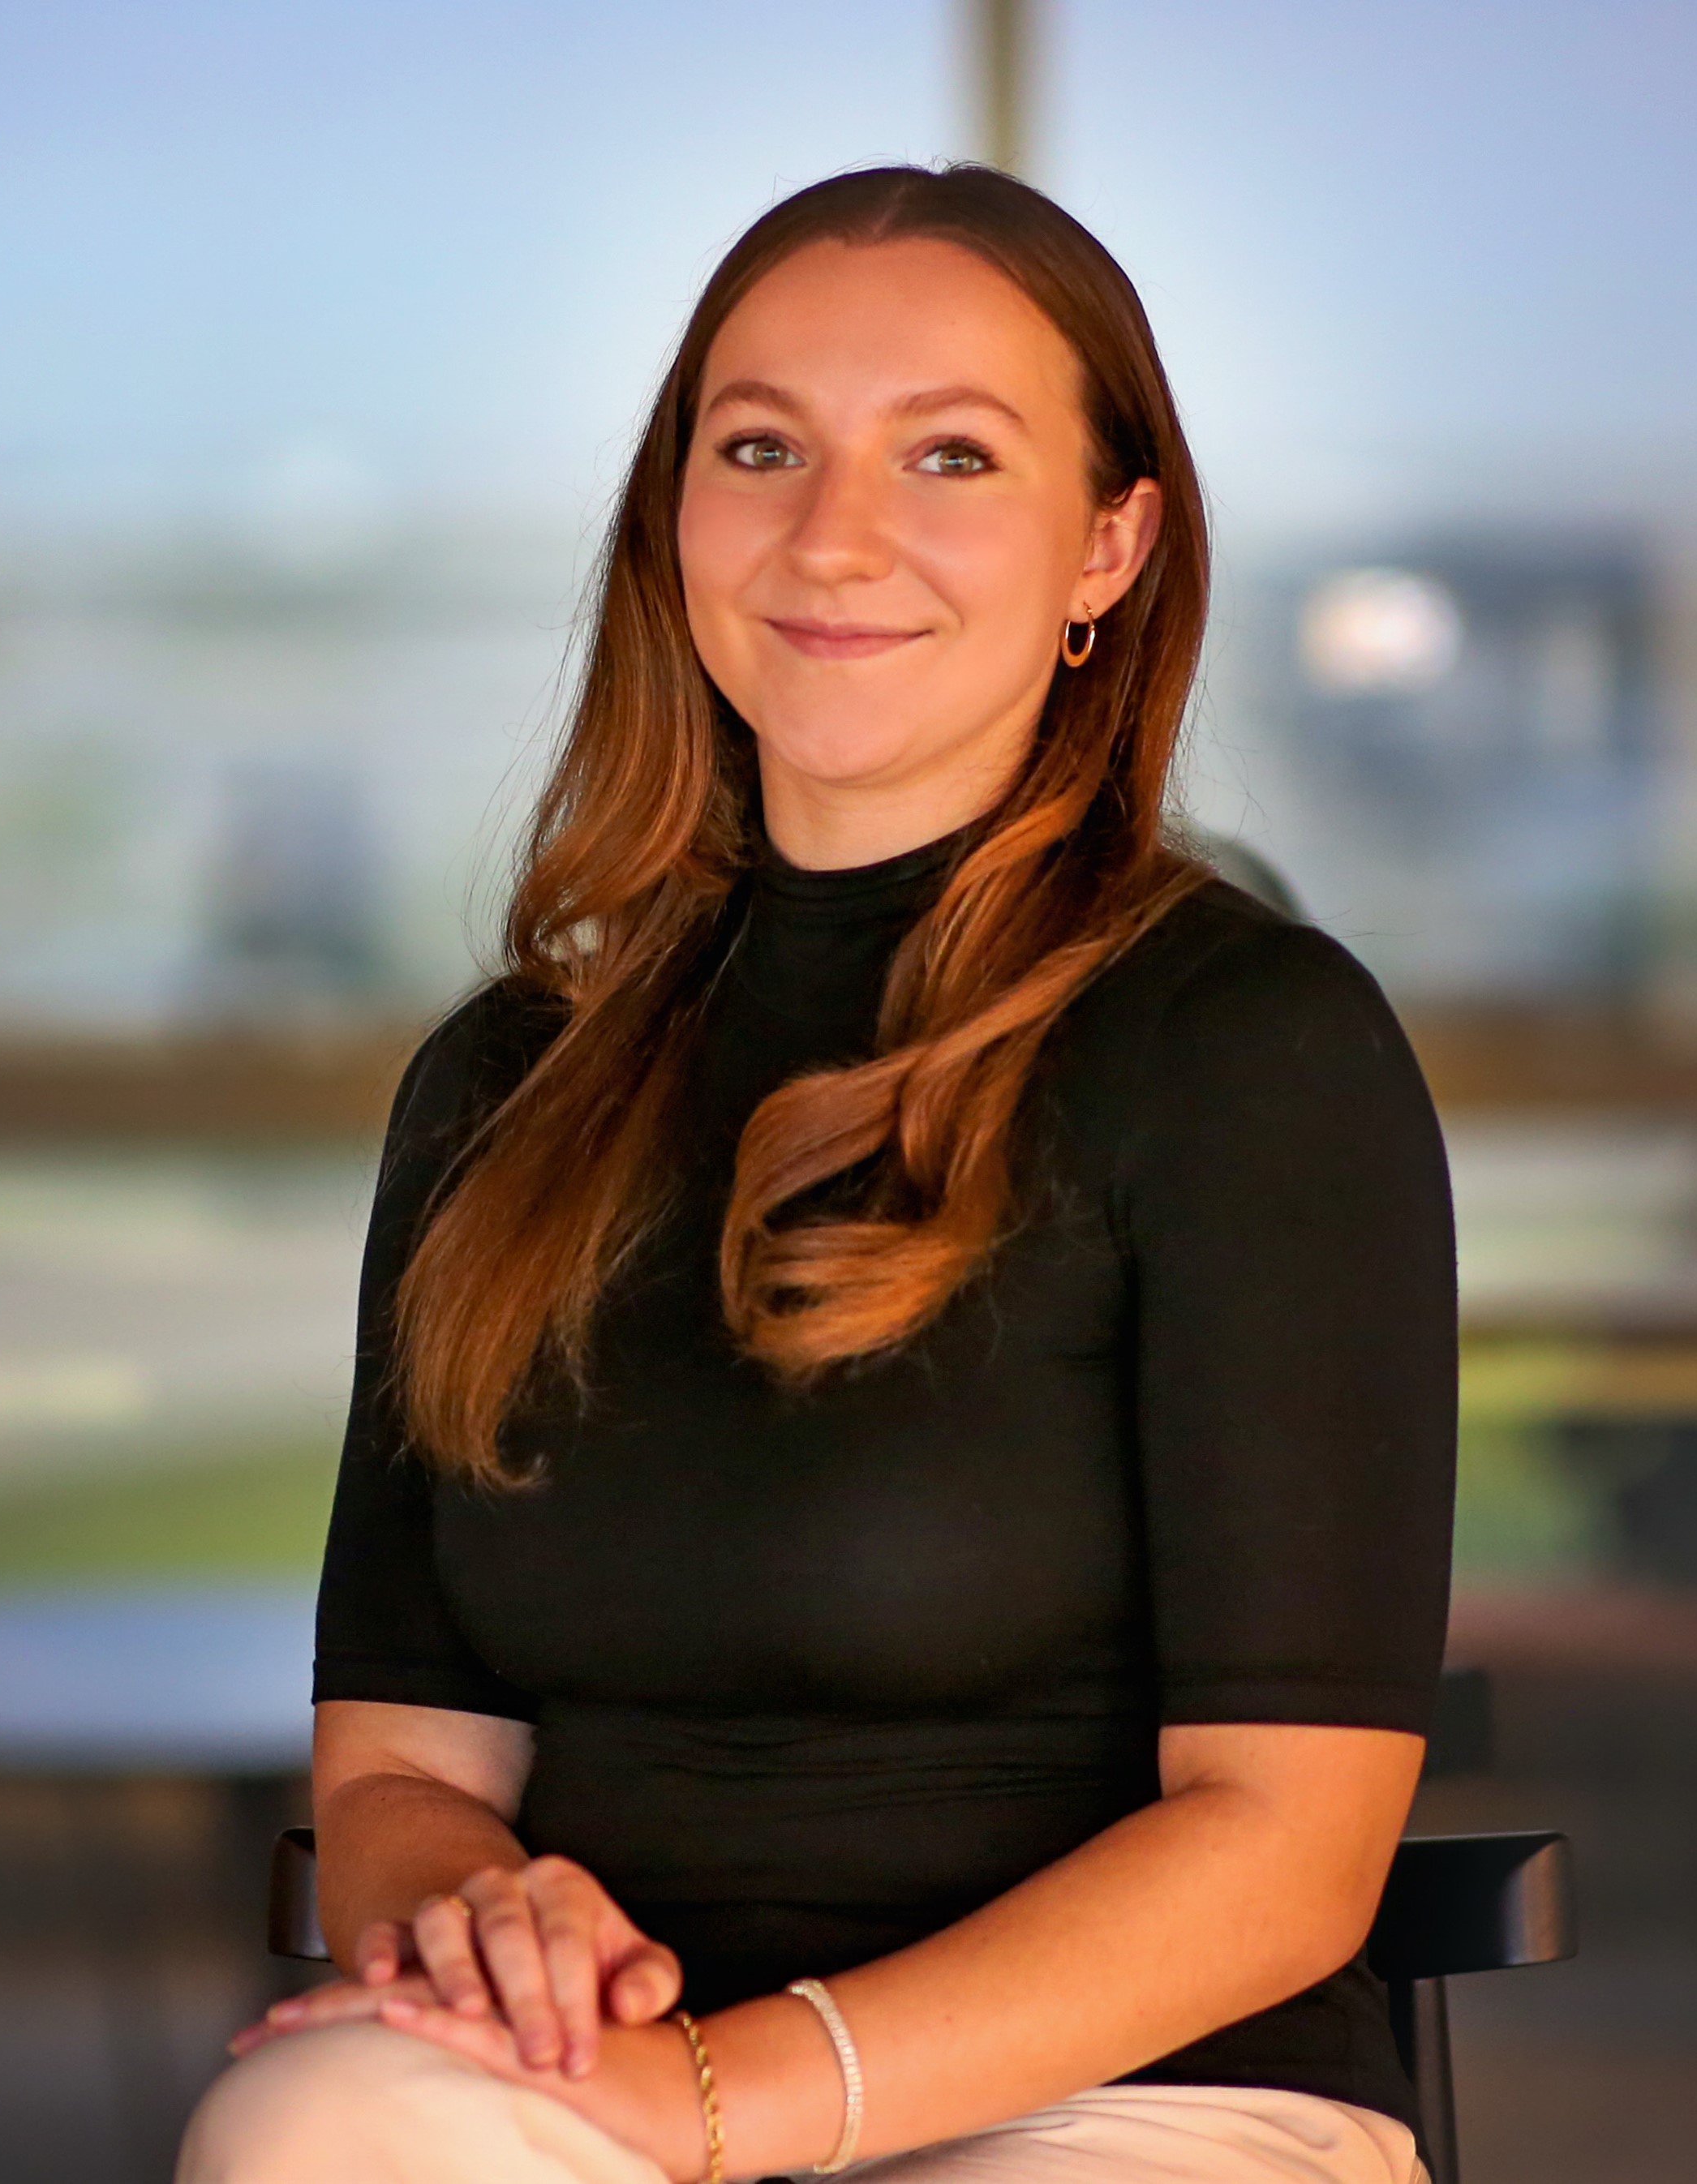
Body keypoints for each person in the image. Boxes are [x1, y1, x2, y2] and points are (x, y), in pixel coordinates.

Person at [178, 165, 1456, 2184]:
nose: (832, 535)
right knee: (311, 2126)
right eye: (760, 447)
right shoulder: (503, 1086)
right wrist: (479, 1920)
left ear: (1110, 544)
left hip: (1135, 2104)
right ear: (674, 516)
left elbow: (1286, 1853)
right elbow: (405, 1764)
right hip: (604, 2081)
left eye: (951, 454)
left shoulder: (1249, 1044)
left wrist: (723, 2097)